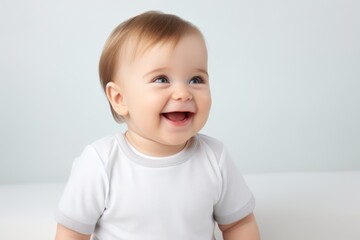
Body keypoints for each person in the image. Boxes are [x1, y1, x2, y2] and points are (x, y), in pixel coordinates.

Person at [55, 11, 260, 240]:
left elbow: (239, 224)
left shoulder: (215, 158)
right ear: (120, 99)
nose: (183, 93)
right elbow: (72, 233)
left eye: (196, 79)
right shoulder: (101, 163)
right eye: (161, 79)